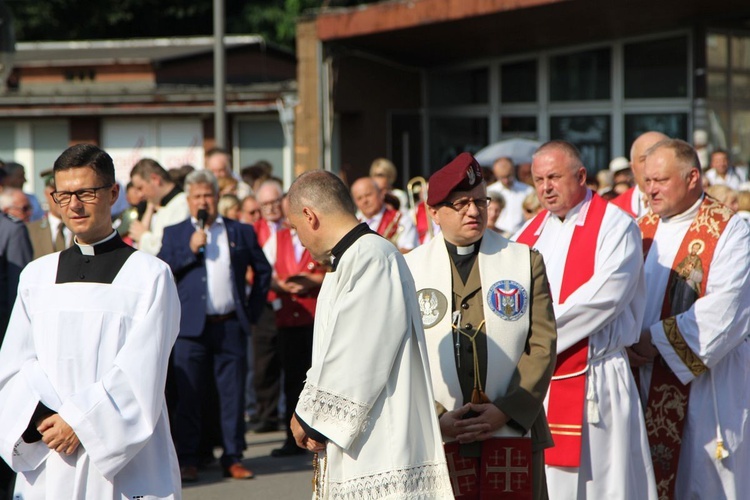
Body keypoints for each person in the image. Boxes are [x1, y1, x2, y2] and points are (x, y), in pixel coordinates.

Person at [0, 143, 182, 499]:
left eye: (85, 192)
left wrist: (80, 422)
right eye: (63, 195)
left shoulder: (150, 276)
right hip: (50, 450)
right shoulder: (36, 276)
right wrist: (43, 420)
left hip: (124, 457)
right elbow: (14, 366)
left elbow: (141, 370)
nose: (74, 206)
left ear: (113, 193)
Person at [286, 170, 452, 499]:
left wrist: (308, 417)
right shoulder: (347, 263)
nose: (301, 242)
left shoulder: (372, 258)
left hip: (383, 445)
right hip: (361, 437)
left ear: (310, 216)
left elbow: (357, 355)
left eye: (296, 229)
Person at [404, 153, 557, 499]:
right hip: (438, 430)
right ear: (433, 212)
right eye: (460, 204)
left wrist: (506, 410)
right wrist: (434, 416)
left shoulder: (523, 261)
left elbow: (542, 345)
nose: (473, 211)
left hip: (513, 427)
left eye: (480, 201)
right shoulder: (408, 270)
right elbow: (402, 354)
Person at [514, 140, 656, 499]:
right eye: (538, 179)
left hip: (598, 378)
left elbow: (601, 299)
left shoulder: (616, 226)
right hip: (544, 382)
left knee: (606, 485)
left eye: (554, 177)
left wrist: (534, 338)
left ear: (580, 176)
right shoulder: (527, 234)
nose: (545, 187)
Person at [628, 139, 750, 499]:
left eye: (661, 180)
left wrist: (654, 341)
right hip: (643, 379)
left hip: (705, 384)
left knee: (703, 482)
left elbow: (728, 308)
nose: (650, 189)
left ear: (693, 177)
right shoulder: (640, 227)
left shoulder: (730, 230)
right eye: (647, 180)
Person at [158, 170, 271, 482]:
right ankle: (190, 458)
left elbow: (262, 271)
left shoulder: (240, 231)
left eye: (208, 195)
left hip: (230, 326)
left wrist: (252, 309)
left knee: (232, 396)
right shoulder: (175, 233)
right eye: (197, 196)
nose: (203, 201)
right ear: (188, 200)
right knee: (190, 396)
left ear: (218, 198)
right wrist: (189, 249)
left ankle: (233, 456)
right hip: (189, 331)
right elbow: (161, 271)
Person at [262, 197, 326, 457]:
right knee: (291, 380)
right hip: (288, 319)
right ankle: (293, 438)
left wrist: (311, 280)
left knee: (319, 378)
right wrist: (281, 285)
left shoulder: (319, 235)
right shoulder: (278, 238)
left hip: (315, 318)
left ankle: (320, 433)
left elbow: (336, 269)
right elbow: (263, 271)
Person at [129, 158, 189, 255]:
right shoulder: (161, 206)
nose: (140, 194)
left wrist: (143, 236)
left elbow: (170, 250)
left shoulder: (182, 204)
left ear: (155, 179)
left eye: (141, 188)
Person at [351, 177, 418, 252]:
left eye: (368, 195)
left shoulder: (401, 219)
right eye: (359, 198)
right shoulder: (353, 225)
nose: (365, 201)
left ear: (380, 194)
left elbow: (409, 250)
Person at [611, 131, 669, 218]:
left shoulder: (689, 207)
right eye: (644, 159)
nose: (652, 165)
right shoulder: (614, 211)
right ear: (633, 167)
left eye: (660, 158)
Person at [26, 170, 73, 260]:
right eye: (56, 193)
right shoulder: (30, 231)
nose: (61, 198)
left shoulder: (86, 228)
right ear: (46, 194)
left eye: (66, 193)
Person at [487, 156, 534, 234]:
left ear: (513, 171)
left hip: (520, 235)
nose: (506, 180)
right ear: (495, 174)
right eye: (502, 177)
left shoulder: (527, 191)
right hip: (497, 235)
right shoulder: (489, 191)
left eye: (508, 176)